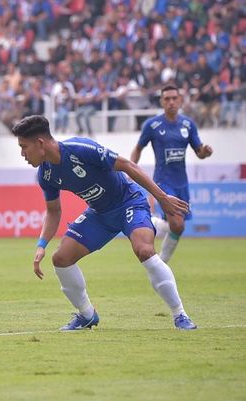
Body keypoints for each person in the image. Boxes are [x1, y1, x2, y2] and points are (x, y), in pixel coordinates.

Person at [11, 115, 197, 331]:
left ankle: (180, 315)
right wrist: (41, 245)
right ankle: (87, 315)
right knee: (61, 259)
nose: (22, 154)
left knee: (144, 251)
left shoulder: (80, 149)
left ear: (40, 143)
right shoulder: (46, 174)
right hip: (99, 213)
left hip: (129, 202)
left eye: (24, 147)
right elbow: (53, 211)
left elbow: (127, 165)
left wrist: (162, 198)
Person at [130, 85, 213, 263]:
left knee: (178, 228)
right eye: (167, 99)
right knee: (178, 224)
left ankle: (160, 256)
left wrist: (206, 152)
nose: (171, 102)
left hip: (182, 183)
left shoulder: (188, 125)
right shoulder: (152, 125)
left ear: (180, 100)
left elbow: (199, 151)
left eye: (174, 98)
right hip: (162, 182)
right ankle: (162, 262)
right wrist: (130, 170)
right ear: (161, 101)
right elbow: (138, 149)